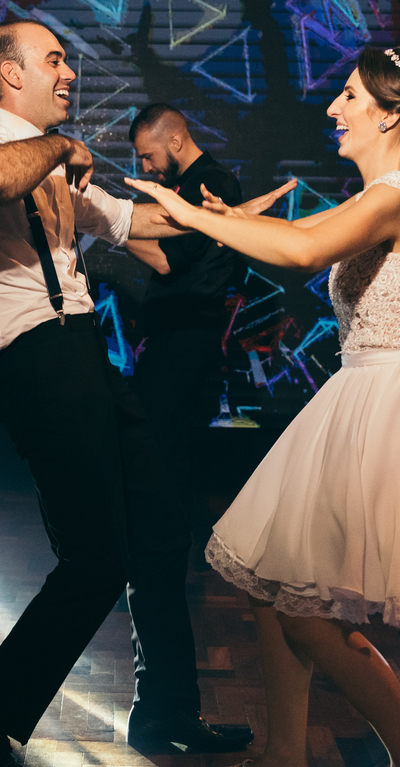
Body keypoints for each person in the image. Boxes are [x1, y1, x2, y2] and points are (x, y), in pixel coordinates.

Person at [0, 19, 283, 767]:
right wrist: (60, 148)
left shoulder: (56, 169)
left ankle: (166, 711)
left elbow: (138, 225)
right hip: (35, 360)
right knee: (95, 559)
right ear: (8, 76)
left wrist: (222, 217)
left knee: (160, 529)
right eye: (53, 60)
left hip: (87, 355)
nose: (68, 73)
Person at [128, 45, 400, 767]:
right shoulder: (379, 195)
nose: (333, 108)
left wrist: (191, 212)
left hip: (389, 401)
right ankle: (285, 763)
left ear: (390, 113)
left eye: (349, 95)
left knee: (311, 613)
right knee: (271, 584)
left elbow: (300, 248)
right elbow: (294, 231)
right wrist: (224, 216)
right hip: (362, 391)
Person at [125, 103, 244, 561]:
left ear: (175, 140)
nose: (145, 166)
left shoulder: (210, 184)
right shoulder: (183, 186)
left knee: (163, 443)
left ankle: (183, 541)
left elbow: (164, 259)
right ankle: (187, 538)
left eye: (147, 155)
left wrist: (99, 222)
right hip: (176, 336)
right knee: (166, 442)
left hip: (189, 337)